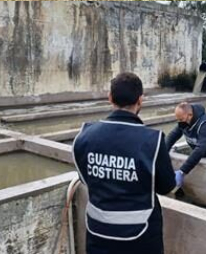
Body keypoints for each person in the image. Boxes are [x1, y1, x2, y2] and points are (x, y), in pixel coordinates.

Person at [72, 72, 177, 254]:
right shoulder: (153, 141)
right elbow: (166, 186)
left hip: (98, 233)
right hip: (141, 237)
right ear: (140, 100)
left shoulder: (84, 136)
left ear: (110, 97)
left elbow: (85, 179)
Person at [166, 102, 206, 187]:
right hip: (203, 157)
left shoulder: (205, 125)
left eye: (181, 119)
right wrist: (161, 153)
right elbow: (171, 137)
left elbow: (200, 150)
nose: (180, 122)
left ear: (190, 115)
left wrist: (182, 171)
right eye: (178, 120)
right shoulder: (185, 122)